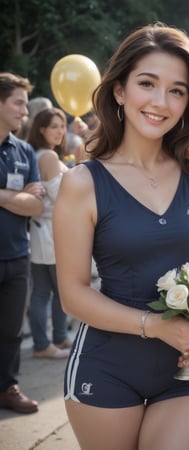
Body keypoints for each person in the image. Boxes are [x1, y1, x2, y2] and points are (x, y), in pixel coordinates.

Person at [53, 22, 189, 450]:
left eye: (177, 90)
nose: (160, 102)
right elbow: (73, 294)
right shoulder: (83, 183)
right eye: (147, 84)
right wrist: (155, 325)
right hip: (106, 367)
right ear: (119, 90)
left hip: (186, 367)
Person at [0, 72, 45, 414]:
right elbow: (24, 200)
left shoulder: (24, 150)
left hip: (17, 255)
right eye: (18, 103)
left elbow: (37, 205)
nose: (24, 112)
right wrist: (16, 196)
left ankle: (7, 387)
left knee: (12, 330)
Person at [27, 108, 72, 359]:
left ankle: (55, 339)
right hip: (52, 232)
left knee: (45, 291)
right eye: (54, 126)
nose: (60, 131)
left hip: (44, 232)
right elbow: (60, 196)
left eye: (62, 126)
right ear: (42, 129)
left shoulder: (40, 154)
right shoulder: (48, 157)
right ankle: (45, 343)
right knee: (54, 291)